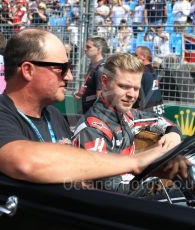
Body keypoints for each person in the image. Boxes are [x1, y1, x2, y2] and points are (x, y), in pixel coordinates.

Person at [0, 28, 187, 184]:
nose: (70, 75)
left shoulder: (52, 115)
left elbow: (78, 173)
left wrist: (154, 169)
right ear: (28, 70)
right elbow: (27, 162)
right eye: (62, 68)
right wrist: (136, 163)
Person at [72, 53, 184, 194]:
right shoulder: (92, 129)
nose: (132, 95)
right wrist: (156, 183)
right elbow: (111, 188)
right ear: (105, 82)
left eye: (136, 88)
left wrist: (173, 134)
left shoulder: (128, 115)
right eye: (124, 87)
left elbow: (163, 121)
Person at [74, 37, 108, 113]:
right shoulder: (93, 65)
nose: (85, 49)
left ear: (99, 49)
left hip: (94, 114)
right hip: (87, 109)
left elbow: (100, 97)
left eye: (88, 47)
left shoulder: (101, 69)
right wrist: (81, 94)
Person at [134, 46, 164, 115]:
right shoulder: (153, 71)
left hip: (146, 114)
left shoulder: (141, 72)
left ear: (143, 57)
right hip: (159, 110)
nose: (134, 58)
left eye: (136, 55)